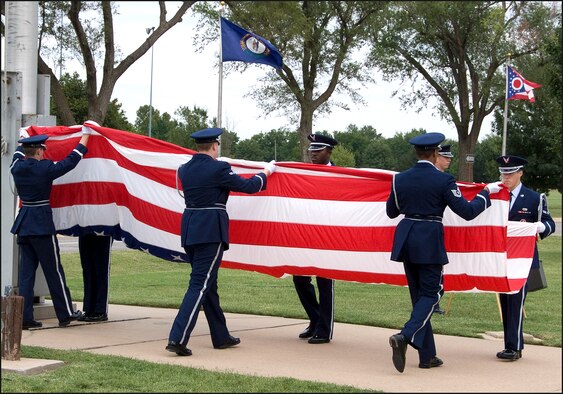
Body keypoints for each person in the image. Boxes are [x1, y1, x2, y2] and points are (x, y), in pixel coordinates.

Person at [385, 132, 501, 373]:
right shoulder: (443, 180)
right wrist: (485, 194)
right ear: (436, 153)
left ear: (416, 153)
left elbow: (391, 212)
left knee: (420, 298)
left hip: (406, 238)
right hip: (428, 239)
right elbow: (467, 212)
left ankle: (427, 356)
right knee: (433, 293)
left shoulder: (400, 179)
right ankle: (404, 336)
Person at [166, 127, 276, 356]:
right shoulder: (219, 168)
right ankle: (177, 337)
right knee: (199, 284)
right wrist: (266, 172)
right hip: (210, 230)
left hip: (190, 229)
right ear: (215, 145)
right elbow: (249, 187)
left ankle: (221, 336)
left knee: (208, 284)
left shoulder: (184, 169)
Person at [11, 129, 91, 329]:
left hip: (24, 224)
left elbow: (16, 154)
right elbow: (70, 162)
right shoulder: (44, 168)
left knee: (26, 276)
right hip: (41, 225)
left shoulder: (17, 168)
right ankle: (65, 313)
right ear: (39, 151)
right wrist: (84, 140)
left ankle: (25, 318)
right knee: (54, 271)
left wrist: (24, 137)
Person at [495, 155, 555, 361]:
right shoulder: (495, 196)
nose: (506, 177)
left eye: (510, 173)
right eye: (503, 173)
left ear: (520, 173)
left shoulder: (534, 198)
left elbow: (549, 224)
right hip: (501, 258)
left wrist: (540, 227)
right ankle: (512, 344)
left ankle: (514, 346)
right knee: (506, 300)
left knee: (516, 300)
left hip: (523, 258)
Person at [293, 133, 338, 344]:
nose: (313, 154)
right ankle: (315, 319)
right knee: (299, 278)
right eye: (312, 150)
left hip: (328, 236)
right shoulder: (304, 173)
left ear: (329, 151)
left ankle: (325, 329)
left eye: (318, 150)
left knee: (325, 282)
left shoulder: (339, 175)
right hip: (306, 235)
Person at [432, 144, 454, 315]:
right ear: (436, 156)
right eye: (445, 157)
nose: (449, 160)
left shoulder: (446, 179)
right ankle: (433, 301)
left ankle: (435, 300)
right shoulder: (441, 180)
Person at [76, 233, 112, 322]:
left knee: (101, 269)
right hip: (85, 229)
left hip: (103, 230)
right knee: (87, 270)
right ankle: (89, 309)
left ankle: (100, 310)